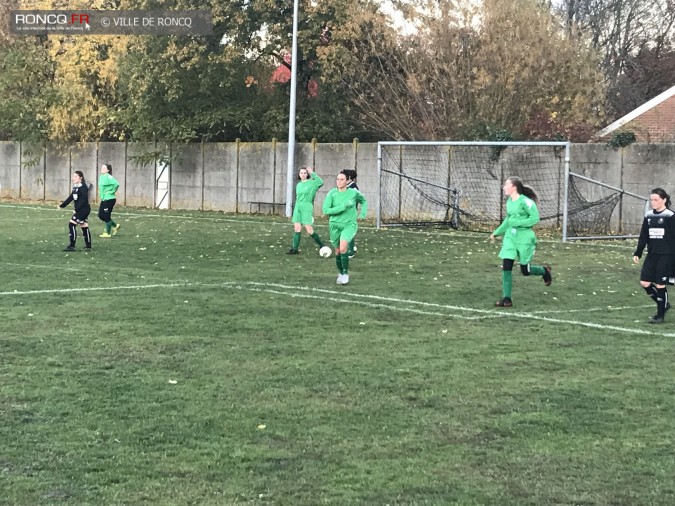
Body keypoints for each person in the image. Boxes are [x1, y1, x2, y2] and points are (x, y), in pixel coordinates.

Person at [490, 176, 552, 307]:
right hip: (510, 238)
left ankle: (544, 271)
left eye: (506, 185)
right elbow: (508, 220)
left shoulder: (526, 202)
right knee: (506, 265)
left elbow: (534, 219)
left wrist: (518, 223)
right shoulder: (509, 202)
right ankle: (507, 299)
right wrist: (497, 232)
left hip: (524, 238)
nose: (504, 187)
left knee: (525, 270)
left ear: (514, 187)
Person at [632, 188, 675, 324]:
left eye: (656, 199)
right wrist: (638, 252)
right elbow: (644, 236)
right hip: (652, 254)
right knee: (645, 282)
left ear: (664, 200)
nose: (653, 202)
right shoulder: (649, 215)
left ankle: (660, 315)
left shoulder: (670, 216)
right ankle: (664, 304)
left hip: (667, 255)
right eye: (651, 199)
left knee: (660, 284)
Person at [322, 171, 367, 285]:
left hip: (349, 224)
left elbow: (363, 200)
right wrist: (343, 207)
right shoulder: (332, 193)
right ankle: (341, 272)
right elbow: (326, 210)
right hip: (334, 225)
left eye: (342, 179)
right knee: (337, 251)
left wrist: (363, 213)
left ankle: (346, 274)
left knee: (342, 249)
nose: (339, 181)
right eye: (337, 179)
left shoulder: (353, 193)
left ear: (347, 181)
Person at [287, 166, 326, 254]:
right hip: (298, 206)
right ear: (299, 174)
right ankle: (295, 249)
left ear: (307, 174)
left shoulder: (312, 183)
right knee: (297, 228)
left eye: (305, 173)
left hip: (307, 206)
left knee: (309, 230)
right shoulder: (298, 184)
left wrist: (312, 173)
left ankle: (322, 244)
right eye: (301, 173)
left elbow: (321, 182)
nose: (303, 175)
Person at [58, 170, 92, 251]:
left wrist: (76, 209)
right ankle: (88, 246)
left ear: (81, 178)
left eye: (76, 176)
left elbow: (84, 200)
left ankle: (72, 246)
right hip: (81, 210)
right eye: (73, 176)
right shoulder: (76, 186)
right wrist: (62, 205)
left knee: (71, 224)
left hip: (83, 210)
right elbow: (71, 197)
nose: (74, 178)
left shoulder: (83, 187)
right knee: (84, 226)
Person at [98, 163, 121, 238]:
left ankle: (107, 233)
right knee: (101, 215)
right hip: (104, 199)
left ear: (108, 170)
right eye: (102, 168)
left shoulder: (109, 177)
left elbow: (116, 184)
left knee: (106, 215)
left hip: (109, 199)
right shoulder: (102, 176)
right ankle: (115, 225)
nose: (102, 169)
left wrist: (111, 191)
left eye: (104, 168)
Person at [344, 169, 359, 258]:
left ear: (349, 178)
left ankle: (351, 252)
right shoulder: (349, 186)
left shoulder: (353, 188)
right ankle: (351, 246)